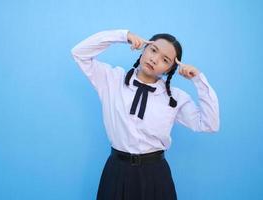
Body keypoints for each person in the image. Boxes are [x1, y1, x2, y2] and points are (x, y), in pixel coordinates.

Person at [71, 29, 220, 200]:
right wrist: (123, 36)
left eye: (165, 60)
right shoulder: (112, 79)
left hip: (155, 174)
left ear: (169, 69)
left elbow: (210, 124)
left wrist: (198, 80)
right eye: (153, 50)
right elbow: (79, 53)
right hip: (117, 170)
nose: (154, 59)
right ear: (144, 49)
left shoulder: (175, 98)